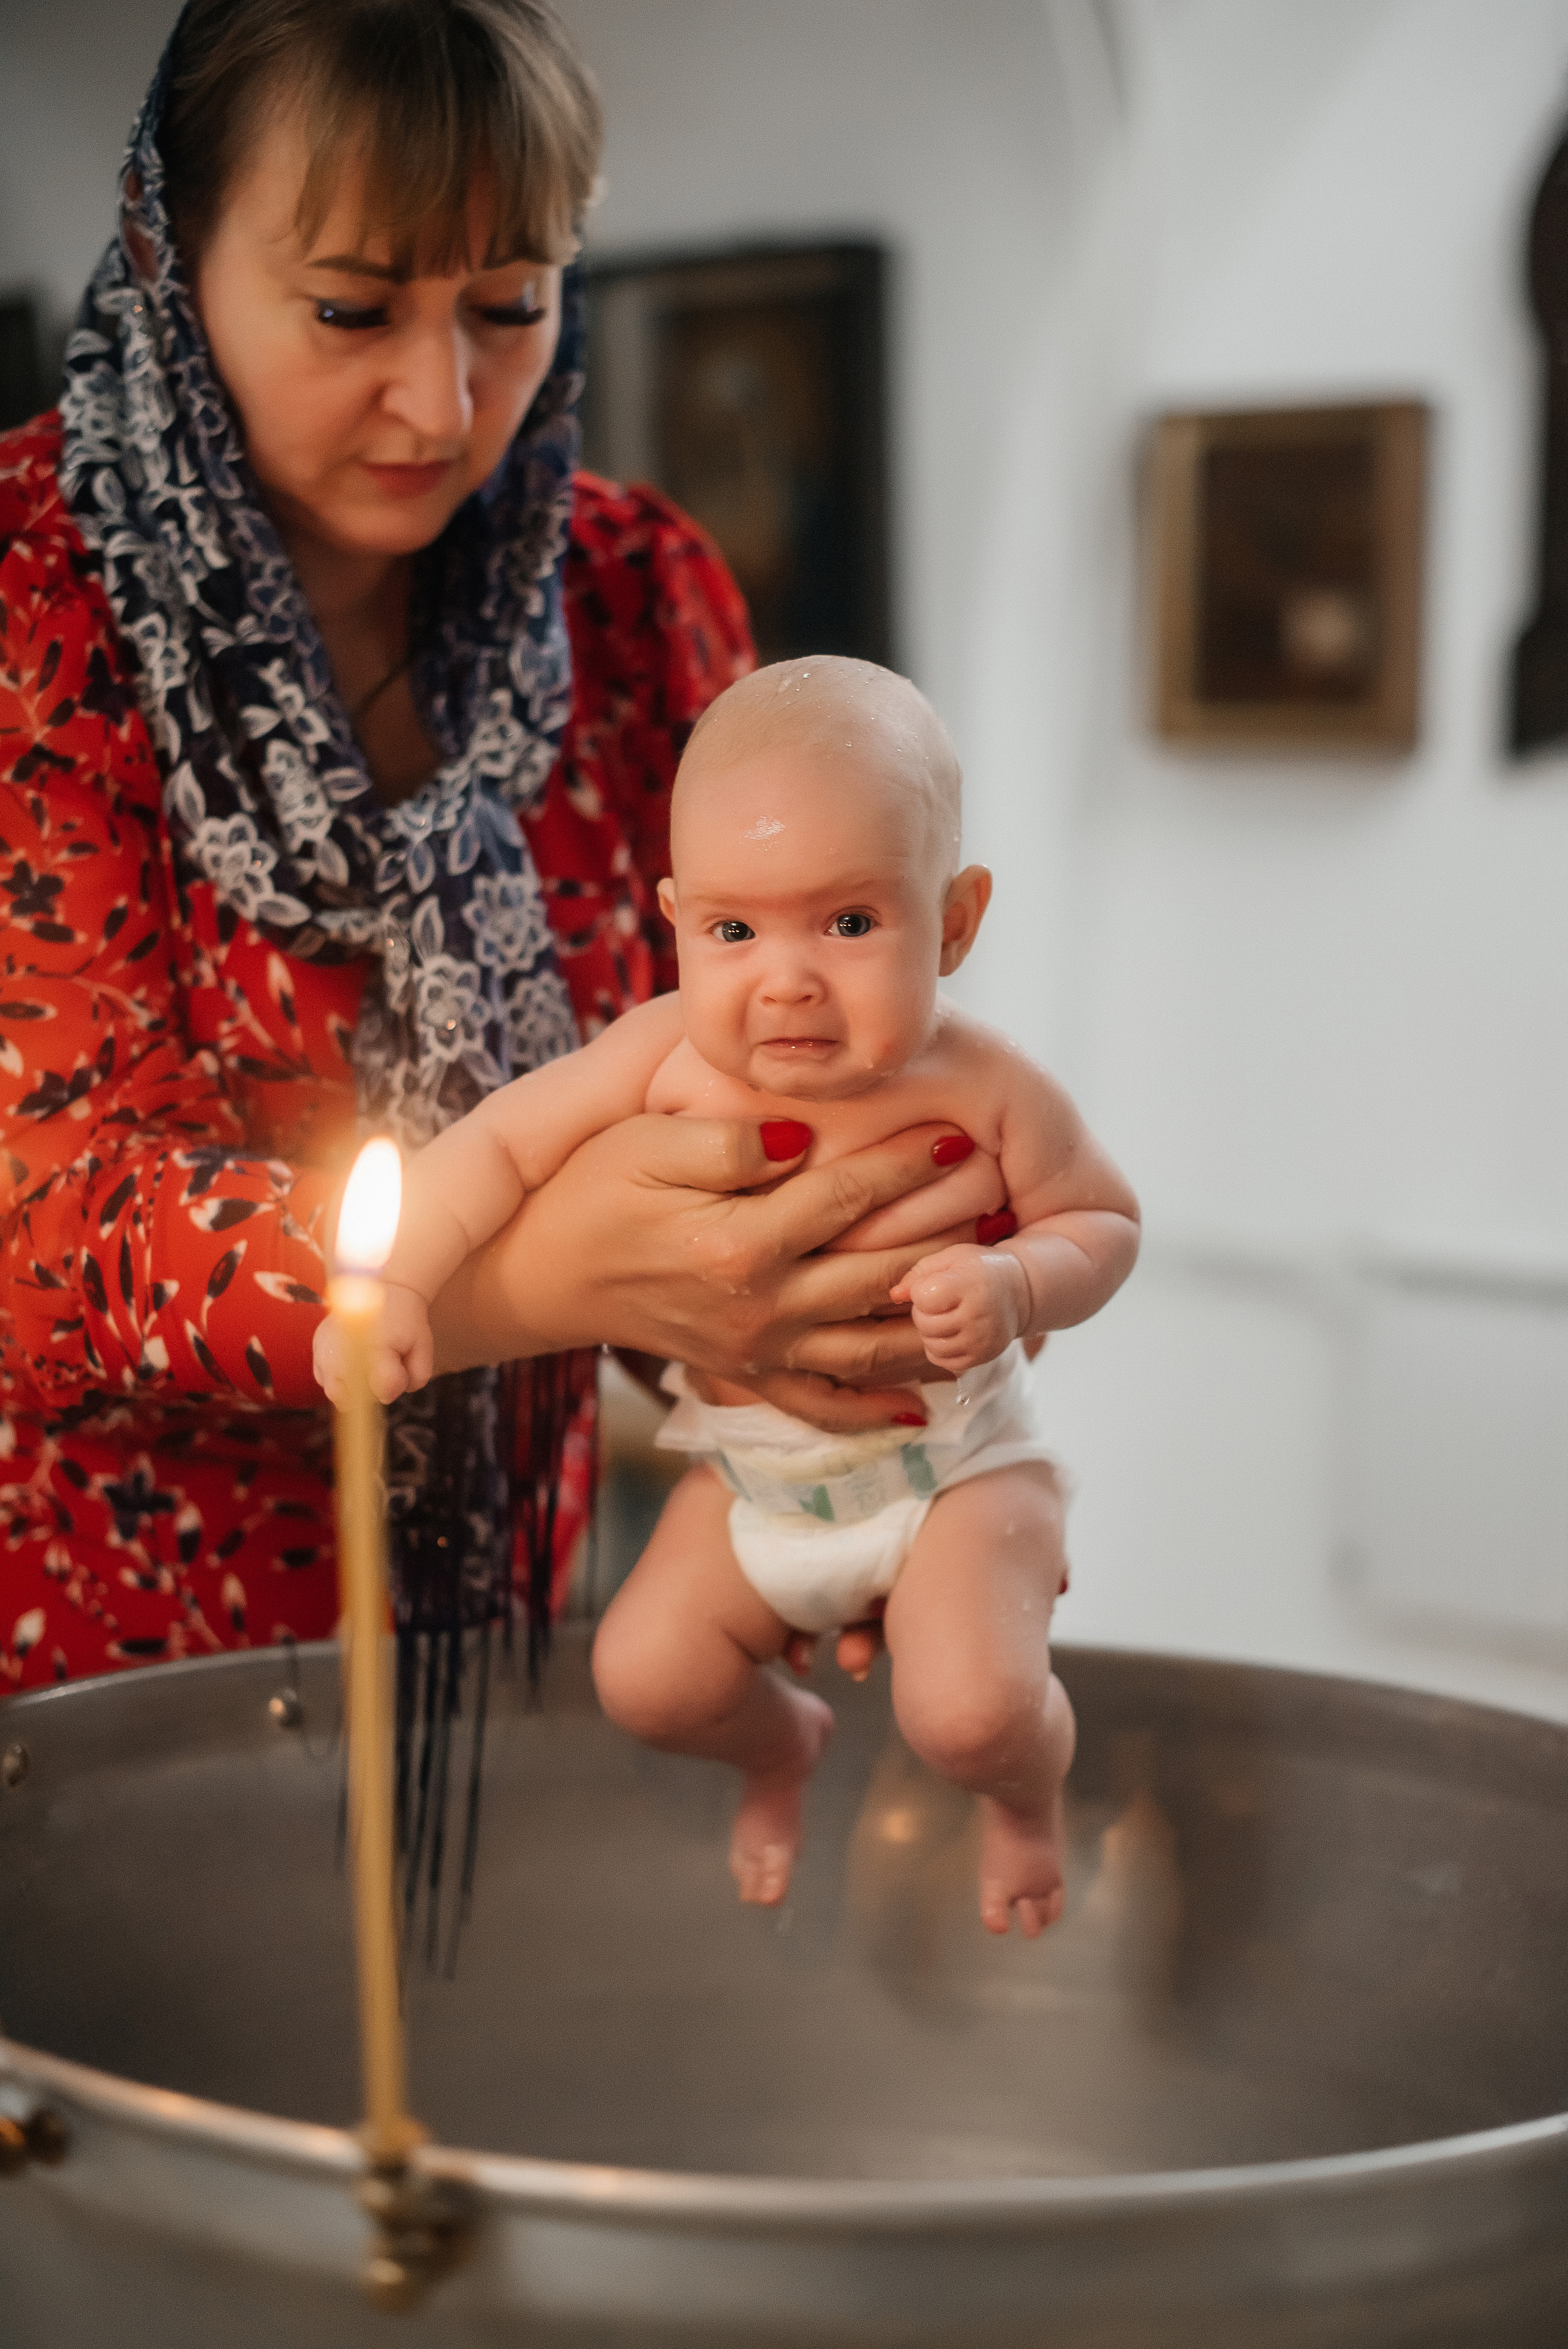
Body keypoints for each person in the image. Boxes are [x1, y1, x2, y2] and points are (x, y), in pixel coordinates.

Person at [0, 1, 972, 1696]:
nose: (443, 400)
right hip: (106, 1649)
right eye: (352, 309)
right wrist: (534, 1272)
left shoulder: (630, 594)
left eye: (512, 306)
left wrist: (842, 1438)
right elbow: (53, 1234)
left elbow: (754, 1059)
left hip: (500, 1636)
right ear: (169, 252)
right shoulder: (31, 600)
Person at [317, 657, 1140, 1935]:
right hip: (749, 1482)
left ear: (957, 920)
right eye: (733, 931)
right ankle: (776, 1749)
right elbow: (491, 1150)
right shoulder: (658, 1058)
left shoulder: (987, 1087)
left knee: (966, 1712)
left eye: (849, 924)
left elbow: (1106, 1222)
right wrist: (407, 1277)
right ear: (674, 919)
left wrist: (1017, 1274)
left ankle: (1021, 1797)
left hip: (953, 1475)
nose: (785, 980)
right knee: (641, 1677)